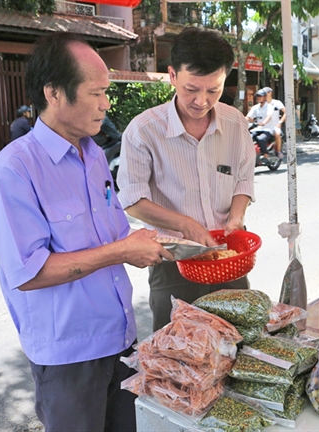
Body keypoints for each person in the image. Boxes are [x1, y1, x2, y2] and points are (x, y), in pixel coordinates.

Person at [0, 32, 172, 432]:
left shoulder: (95, 156)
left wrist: (155, 243)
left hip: (119, 341)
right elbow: (30, 273)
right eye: (96, 92)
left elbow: (115, 234)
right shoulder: (13, 171)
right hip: (69, 357)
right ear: (53, 92)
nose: (106, 103)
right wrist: (121, 251)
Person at [117, 26, 255, 331]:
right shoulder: (143, 130)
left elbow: (243, 179)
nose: (201, 101)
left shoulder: (235, 123)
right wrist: (185, 224)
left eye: (213, 90)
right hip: (173, 262)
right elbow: (133, 201)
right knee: (177, 354)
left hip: (228, 255)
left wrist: (236, 216)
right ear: (172, 75)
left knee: (236, 344)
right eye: (191, 89)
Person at [245, 88, 273, 161]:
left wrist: (263, 123)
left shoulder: (269, 106)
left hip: (267, 129)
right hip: (256, 129)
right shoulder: (255, 107)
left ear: (265, 97)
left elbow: (269, 116)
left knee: (260, 139)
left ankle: (266, 156)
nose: (258, 97)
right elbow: (248, 117)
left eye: (260, 96)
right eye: (257, 96)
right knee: (247, 137)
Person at [263, 87, 287, 159]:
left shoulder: (277, 103)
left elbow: (286, 112)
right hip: (264, 125)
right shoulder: (262, 103)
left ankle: (278, 151)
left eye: (265, 93)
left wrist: (280, 122)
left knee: (277, 133)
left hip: (274, 126)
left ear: (270, 93)